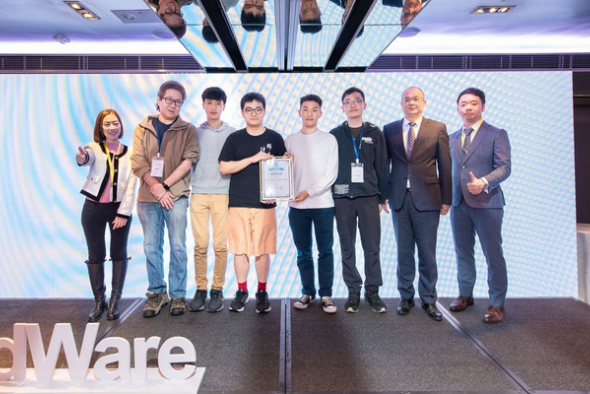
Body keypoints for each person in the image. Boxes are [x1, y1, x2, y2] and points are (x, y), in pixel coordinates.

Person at [383, 86, 452, 321]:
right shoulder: (390, 129)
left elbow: (445, 165)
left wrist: (447, 199)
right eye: (406, 99)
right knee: (403, 252)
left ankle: (429, 300)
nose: (411, 103)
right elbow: (385, 166)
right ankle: (406, 297)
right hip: (399, 199)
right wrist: (383, 195)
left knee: (427, 253)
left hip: (429, 200)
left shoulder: (438, 128)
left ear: (424, 103)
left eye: (416, 99)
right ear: (401, 103)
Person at [131, 80, 199, 318]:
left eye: (178, 101)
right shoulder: (143, 127)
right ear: (159, 100)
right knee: (151, 247)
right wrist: (156, 188)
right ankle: (157, 293)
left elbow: (189, 160)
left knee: (178, 245)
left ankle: (178, 294)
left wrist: (165, 186)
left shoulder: (188, 129)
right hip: (148, 196)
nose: (173, 105)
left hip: (176, 194)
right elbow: (138, 162)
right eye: (168, 99)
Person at [219, 92, 286, 313]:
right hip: (238, 202)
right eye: (249, 109)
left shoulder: (275, 138)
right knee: (239, 250)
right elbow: (224, 168)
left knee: (262, 250)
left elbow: (282, 170)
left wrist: (279, 188)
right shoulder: (235, 139)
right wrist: (252, 158)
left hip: (265, 203)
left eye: (258, 109)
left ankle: (262, 291)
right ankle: (241, 291)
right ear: (242, 112)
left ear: (264, 111)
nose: (254, 113)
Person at [449, 87, 511, 324]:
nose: (468, 107)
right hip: (458, 204)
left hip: (487, 203)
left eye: (473, 103)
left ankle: (496, 304)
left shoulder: (496, 134)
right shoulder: (452, 137)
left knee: (493, 254)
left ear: (482, 106)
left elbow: (504, 167)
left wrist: (484, 182)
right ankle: (466, 295)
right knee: (462, 252)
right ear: (458, 108)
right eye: (463, 103)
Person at [330, 87, 389, 313]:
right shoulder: (334, 134)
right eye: (348, 102)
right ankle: (353, 289)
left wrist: (383, 196)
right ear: (342, 107)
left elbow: (383, 166)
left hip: (369, 198)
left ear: (365, 105)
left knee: (371, 246)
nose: (353, 105)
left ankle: (372, 291)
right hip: (342, 198)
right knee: (347, 246)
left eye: (357, 101)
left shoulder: (375, 133)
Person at [76, 109, 137, 322]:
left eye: (115, 123)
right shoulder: (93, 148)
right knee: (96, 254)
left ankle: (114, 302)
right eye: (107, 124)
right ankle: (99, 302)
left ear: (121, 125)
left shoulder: (130, 153)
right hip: (92, 208)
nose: (112, 127)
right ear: (101, 128)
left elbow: (131, 186)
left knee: (118, 252)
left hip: (118, 209)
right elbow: (86, 158)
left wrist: (123, 213)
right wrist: (82, 158)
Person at [286, 94, 338, 313]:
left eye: (314, 109)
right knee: (303, 252)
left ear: (320, 113)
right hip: (297, 208)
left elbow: (331, 174)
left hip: (323, 204)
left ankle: (326, 295)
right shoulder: (289, 140)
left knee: (325, 251)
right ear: (299, 112)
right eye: (305, 109)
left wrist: (309, 192)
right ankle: (308, 292)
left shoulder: (329, 139)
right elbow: (284, 172)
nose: (309, 113)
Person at [188, 87, 236, 313]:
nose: (214, 107)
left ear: (224, 106)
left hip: (222, 193)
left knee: (220, 246)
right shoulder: (194, 133)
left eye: (218, 103)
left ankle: (217, 289)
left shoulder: (233, 133)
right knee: (200, 245)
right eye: (210, 103)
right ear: (203, 105)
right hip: (197, 192)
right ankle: (200, 288)